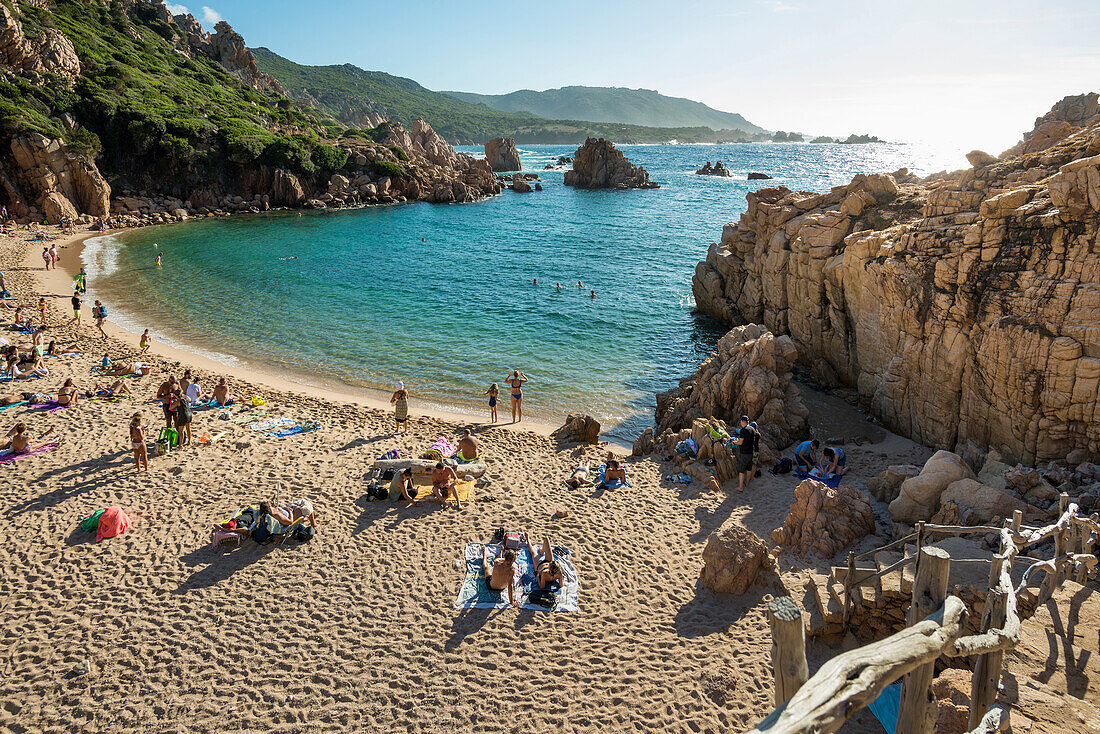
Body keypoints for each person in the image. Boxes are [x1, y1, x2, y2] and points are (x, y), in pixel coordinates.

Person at [732, 415, 757, 493]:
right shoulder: (752, 429)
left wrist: (734, 442)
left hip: (744, 453)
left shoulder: (743, 430)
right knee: (749, 468)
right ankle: (747, 483)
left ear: (742, 422)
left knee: (741, 470)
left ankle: (740, 487)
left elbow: (740, 442)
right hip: (751, 452)